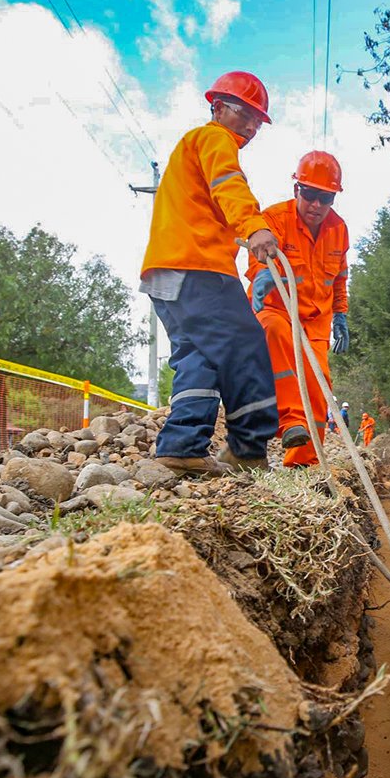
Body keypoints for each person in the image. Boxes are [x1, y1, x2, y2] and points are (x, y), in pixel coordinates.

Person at [139, 71, 281, 477]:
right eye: (245, 114)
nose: (252, 127)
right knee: (246, 345)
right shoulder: (214, 139)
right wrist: (254, 226)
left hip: (166, 272)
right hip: (197, 269)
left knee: (199, 355)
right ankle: (249, 449)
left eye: (258, 120)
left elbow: (213, 197)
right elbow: (228, 184)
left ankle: (182, 445)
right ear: (218, 108)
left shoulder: (193, 147)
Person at [246, 151, 350, 467]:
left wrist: (341, 313)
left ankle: (303, 462)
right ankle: (291, 419)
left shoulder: (339, 229)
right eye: (310, 194)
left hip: (316, 320)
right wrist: (260, 274)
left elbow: (340, 275)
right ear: (296, 190)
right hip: (278, 309)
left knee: (320, 387)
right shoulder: (275, 219)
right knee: (274, 331)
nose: (317, 205)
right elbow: (255, 254)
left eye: (326, 197)